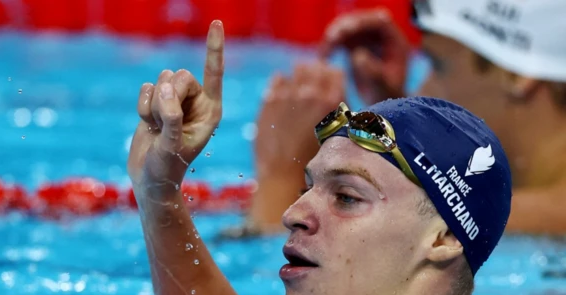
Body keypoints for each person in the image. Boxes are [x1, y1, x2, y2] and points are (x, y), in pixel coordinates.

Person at [127, 20, 512, 295]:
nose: (293, 214)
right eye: (305, 189)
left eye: (346, 197)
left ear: (442, 239)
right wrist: (158, 191)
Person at [240, 0, 566, 237]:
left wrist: (280, 178)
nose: (423, 90)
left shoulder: (528, 220)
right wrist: (393, 112)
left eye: (438, 67)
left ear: (517, 74)